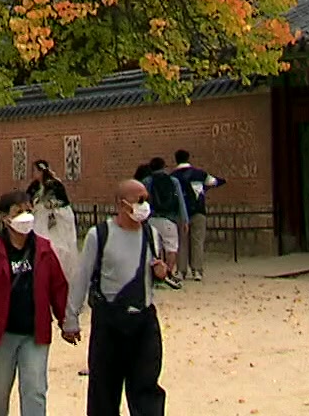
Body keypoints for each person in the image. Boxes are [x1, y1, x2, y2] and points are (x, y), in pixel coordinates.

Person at [64, 179, 168, 416]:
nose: (145, 205)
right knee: (104, 391)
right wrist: (71, 318)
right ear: (122, 204)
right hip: (110, 322)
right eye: (139, 200)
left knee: (147, 388)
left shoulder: (152, 234)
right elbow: (82, 276)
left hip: (144, 321)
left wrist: (160, 273)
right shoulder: (99, 235)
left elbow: (153, 273)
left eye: (146, 199)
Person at [0, 191, 71, 416]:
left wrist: (66, 321)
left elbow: (58, 287)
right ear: (5, 218)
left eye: (28, 211)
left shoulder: (43, 249)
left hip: (34, 332)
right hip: (1, 334)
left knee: (35, 389)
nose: (26, 216)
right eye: (18, 212)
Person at [169, 150, 226, 282]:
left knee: (182, 242)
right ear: (189, 158)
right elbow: (215, 182)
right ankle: (197, 271)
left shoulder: (173, 177)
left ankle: (181, 271)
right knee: (197, 242)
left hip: (181, 214)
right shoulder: (200, 174)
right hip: (199, 211)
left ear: (176, 160)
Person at [26, 160, 78, 288]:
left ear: (41, 171)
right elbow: (27, 198)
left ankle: (61, 275)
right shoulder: (34, 186)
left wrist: (50, 207)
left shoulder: (55, 184)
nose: (33, 174)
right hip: (41, 219)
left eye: (35, 171)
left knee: (58, 246)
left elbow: (63, 204)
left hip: (57, 220)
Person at [135, 159, 184, 290]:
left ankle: (156, 275)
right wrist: (184, 219)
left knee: (154, 249)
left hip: (152, 219)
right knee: (171, 248)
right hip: (169, 219)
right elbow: (180, 201)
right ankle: (167, 273)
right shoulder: (173, 181)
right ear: (164, 166)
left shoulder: (147, 182)